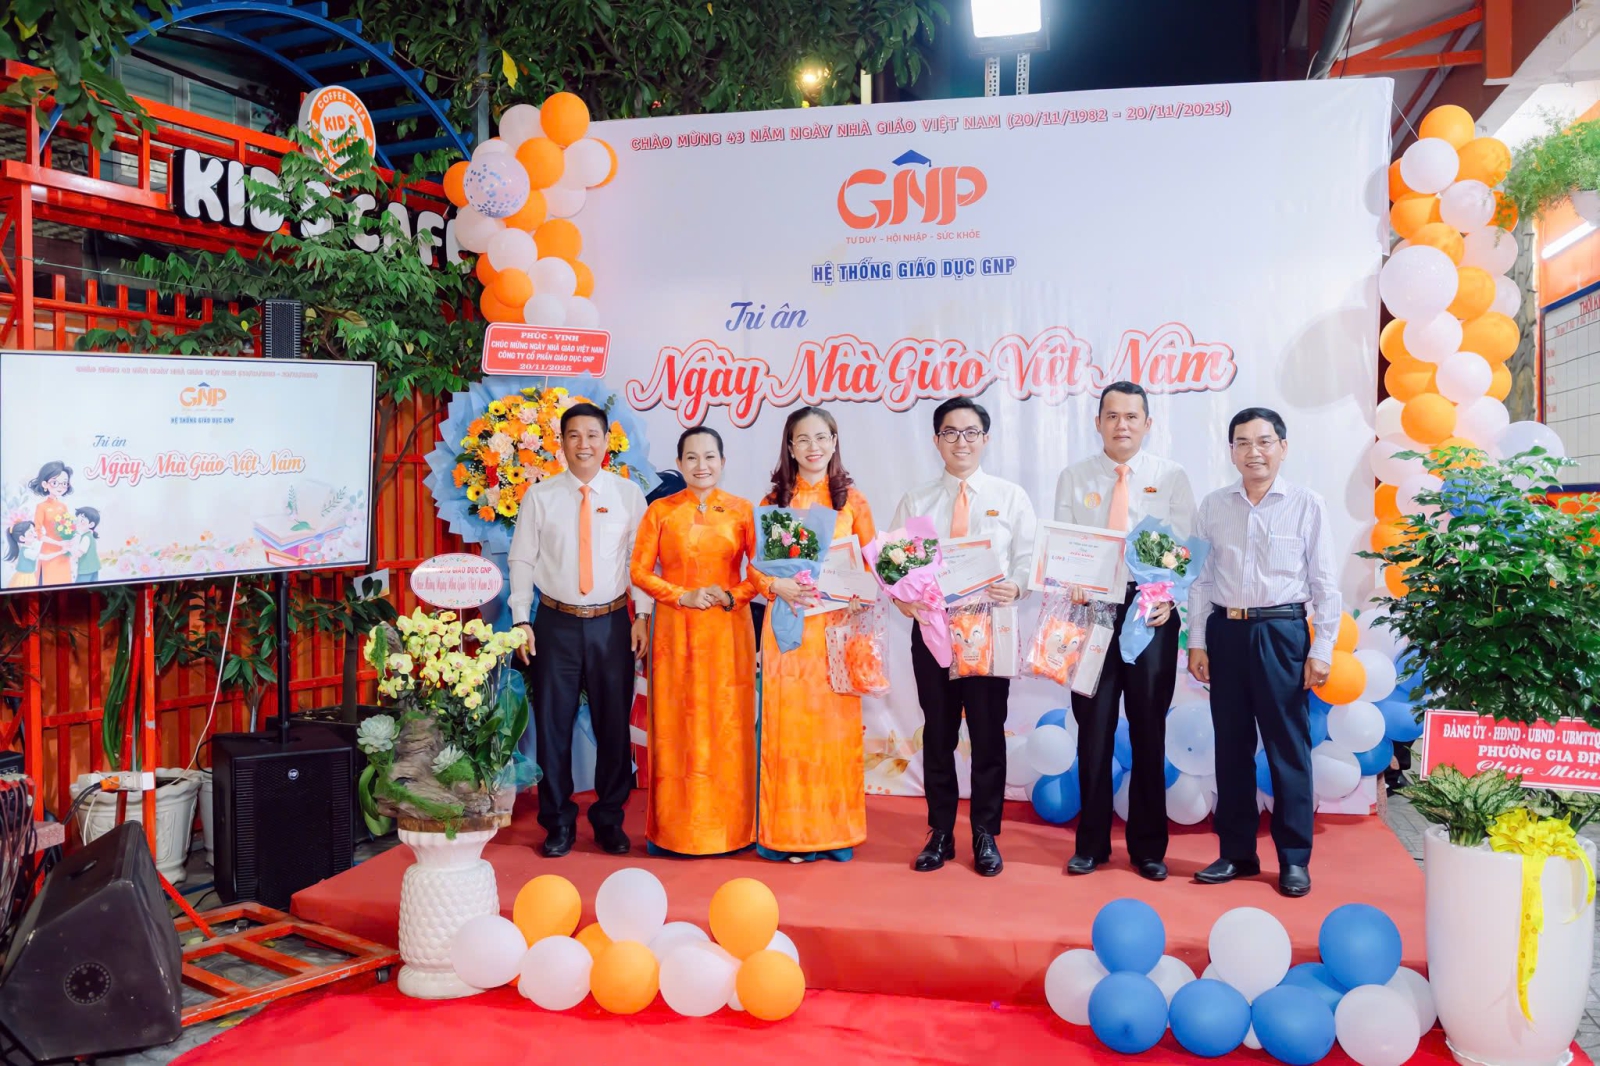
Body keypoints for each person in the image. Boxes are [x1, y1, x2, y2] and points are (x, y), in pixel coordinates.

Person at [1186, 407, 1340, 898]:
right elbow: (1199, 581)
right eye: (1243, 443)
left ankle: (1294, 859)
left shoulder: (1307, 504)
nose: (1254, 452)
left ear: (1283, 447)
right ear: (1231, 451)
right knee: (1231, 749)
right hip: (1226, 633)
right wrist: (1196, 641)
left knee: (1287, 749)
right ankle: (1236, 853)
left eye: (1264, 441)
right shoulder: (1213, 506)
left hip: (1282, 633)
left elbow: (1326, 584)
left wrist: (1323, 648)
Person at [1055, 381, 1196, 882]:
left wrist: (1168, 597)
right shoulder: (1074, 477)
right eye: (1112, 416)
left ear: (1147, 423)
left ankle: (1148, 847)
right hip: (1092, 611)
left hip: (1149, 613)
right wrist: (1070, 579)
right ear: (1097, 422)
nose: (1122, 425)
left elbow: (1184, 547)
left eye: (1132, 416)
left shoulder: (1170, 477)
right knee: (1093, 730)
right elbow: (1063, 544)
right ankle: (1091, 844)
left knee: (1148, 729)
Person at [891, 398, 1037, 876]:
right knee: (938, 732)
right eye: (950, 432)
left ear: (985, 439)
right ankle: (939, 833)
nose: (961, 441)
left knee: (988, 733)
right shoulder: (916, 501)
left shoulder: (1010, 497)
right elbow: (895, 565)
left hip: (989, 630)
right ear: (936, 441)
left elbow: (1029, 556)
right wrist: (903, 600)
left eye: (971, 432)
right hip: (934, 630)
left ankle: (985, 833)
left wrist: (1018, 585)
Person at [508, 402, 652, 859]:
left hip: (612, 623)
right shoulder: (540, 496)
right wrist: (521, 619)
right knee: (553, 727)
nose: (583, 444)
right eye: (574, 435)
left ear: (607, 441)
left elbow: (640, 561)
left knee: (613, 726)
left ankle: (609, 819)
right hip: (555, 623)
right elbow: (521, 559)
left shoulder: (628, 495)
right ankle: (558, 822)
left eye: (592, 435)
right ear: (562, 443)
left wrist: (643, 616)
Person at [748, 406, 876, 862]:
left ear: (834, 442)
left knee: (834, 733)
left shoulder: (852, 501)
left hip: (835, 634)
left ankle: (834, 833)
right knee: (787, 731)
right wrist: (774, 585)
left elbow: (872, 563)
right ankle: (787, 833)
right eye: (803, 439)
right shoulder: (773, 502)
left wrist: (861, 592)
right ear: (790, 446)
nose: (813, 447)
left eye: (821, 437)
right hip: (788, 634)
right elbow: (755, 570)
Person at [629, 427, 759, 857]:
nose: (701, 465)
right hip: (675, 632)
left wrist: (732, 595)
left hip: (727, 633)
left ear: (723, 462)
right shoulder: (661, 511)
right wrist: (680, 595)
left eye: (709, 457)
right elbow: (639, 571)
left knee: (728, 725)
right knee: (676, 726)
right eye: (691, 457)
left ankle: (732, 828)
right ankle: (676, 830)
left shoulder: (742, 511)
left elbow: (760, 574)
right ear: (679, 463)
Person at [27, 462, 74, 587]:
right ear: (44, 484)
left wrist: (69, 541)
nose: (60, 487)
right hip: (49, 550)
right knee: (48, 584)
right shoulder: (41, 507)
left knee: (64, 584)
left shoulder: (63, 506)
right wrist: (59, 543)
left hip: (64, 551)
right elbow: (38, 534)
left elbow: (69, 528)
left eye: (64, 483)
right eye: (55, 483)